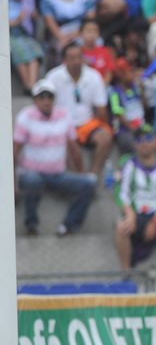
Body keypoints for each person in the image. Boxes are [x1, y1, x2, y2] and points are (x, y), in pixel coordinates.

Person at [14, 80, 97, 237]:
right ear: (35, 100)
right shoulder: (25, 116)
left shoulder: (64, 115)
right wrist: (12, 184)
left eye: (49, 97)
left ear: (54, 99)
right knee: (33, 180)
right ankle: (31, 224)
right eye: (41, 97)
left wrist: (81, 174)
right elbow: (15, 150)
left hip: (57, 174)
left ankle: (69, 225)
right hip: (30, 173)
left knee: (89, 183)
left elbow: (74, 149)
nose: (46, 101)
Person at [46, 42, 113, 180]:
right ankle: (78, 180)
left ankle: (93, 176)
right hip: (62, 124)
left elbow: (101, 109)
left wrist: (104, 127)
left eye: (79, 57)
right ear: (64, 60)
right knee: (66, 144)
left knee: (105, 137)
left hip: (86, 124)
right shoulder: (53, 77)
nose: (76, 61)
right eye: (72, 58)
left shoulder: (94, 76)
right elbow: (46, 106)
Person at [114, 125, 156, 271]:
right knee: (122, 227)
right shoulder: (127, 163)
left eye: (148, 138)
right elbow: (121, 194)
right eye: (139, 140)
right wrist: (130, 214)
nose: (144, 143)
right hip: (136, 214)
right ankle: (126, 273)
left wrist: (155, 222)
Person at [8, 0, 44, 94]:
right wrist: (18, 20)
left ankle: (32, 85)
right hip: (11, 36)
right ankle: (27, 85)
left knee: (35, 53)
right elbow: (6, 23)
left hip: (26, 35)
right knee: (20, 54)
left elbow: (32, 14)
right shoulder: (4, 1)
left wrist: (33, 16)